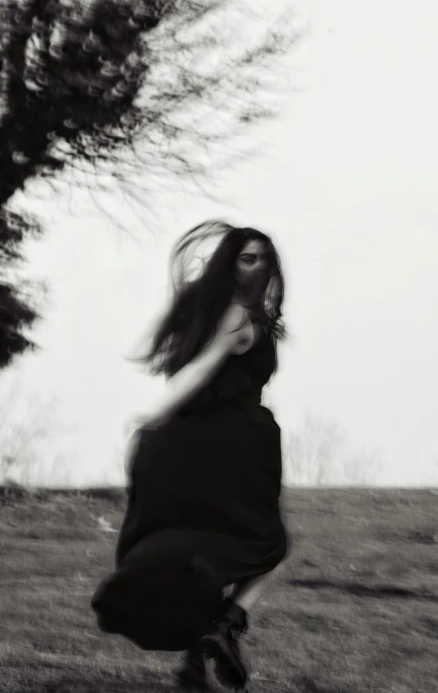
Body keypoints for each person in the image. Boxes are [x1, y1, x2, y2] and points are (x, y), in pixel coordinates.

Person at [91, 220, 291, 692]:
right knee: (268, 549)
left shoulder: (238, 312)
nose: (259, 265)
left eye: (265, 257)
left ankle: (195, 666)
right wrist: (152, 414)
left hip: (205, 444)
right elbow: (200, 371)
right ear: (230, 264)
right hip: (231, 447)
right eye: (247, 257)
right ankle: (223, 629)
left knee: (207, 556)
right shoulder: (237, 317)